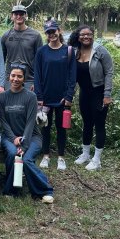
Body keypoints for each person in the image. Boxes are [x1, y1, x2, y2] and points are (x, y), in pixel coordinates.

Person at [0, 65, 54, 203]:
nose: (15, 79)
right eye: (13, 75)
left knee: (27, 159)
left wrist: (23, 145)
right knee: (13, 153)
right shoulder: (2, 97)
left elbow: (30, 123)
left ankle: (45, 190)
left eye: (19, 76)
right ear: (9, 77)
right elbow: (3, 121)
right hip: (9, 136)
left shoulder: (30, 96)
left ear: (24, 79)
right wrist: (13, 138)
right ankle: (12, 190)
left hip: (32, 136)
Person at [69, 25, 114, 171]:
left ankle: (97, 159)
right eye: (83, 34)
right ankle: (86, 154)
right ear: (78, 37)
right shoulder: (75, 51)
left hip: (99, 92)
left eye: (89, 34)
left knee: (99, 125)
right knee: (87, 123)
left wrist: (107, 95)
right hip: (84, 93)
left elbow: (109, 72)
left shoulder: (100, 50)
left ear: (93, 35)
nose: (86, 37)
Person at [34, 20, 76, 171]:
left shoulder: (68, 51)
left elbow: (72, 75)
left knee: (61, 128)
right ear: (46, 34)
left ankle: (61, 157)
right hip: (45, 97)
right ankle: (46, 155)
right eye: (48, 32)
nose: (51, 34)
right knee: (45, 127)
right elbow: (37, 75)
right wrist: (39, 97)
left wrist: (69, 96)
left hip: (62, 98)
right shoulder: (41, 52)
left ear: (59, 31)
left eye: (54, 31)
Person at [1, 5, 43, 90]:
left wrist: (37, 82)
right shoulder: (6, 36)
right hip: (10, 79)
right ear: (11, 16)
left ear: (26, 15)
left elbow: (40, 61)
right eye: (16, 14)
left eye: (21, 14)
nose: (19, 16)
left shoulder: (35, 35)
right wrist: (1, 83)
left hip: (29, 80)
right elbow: (1, 60)